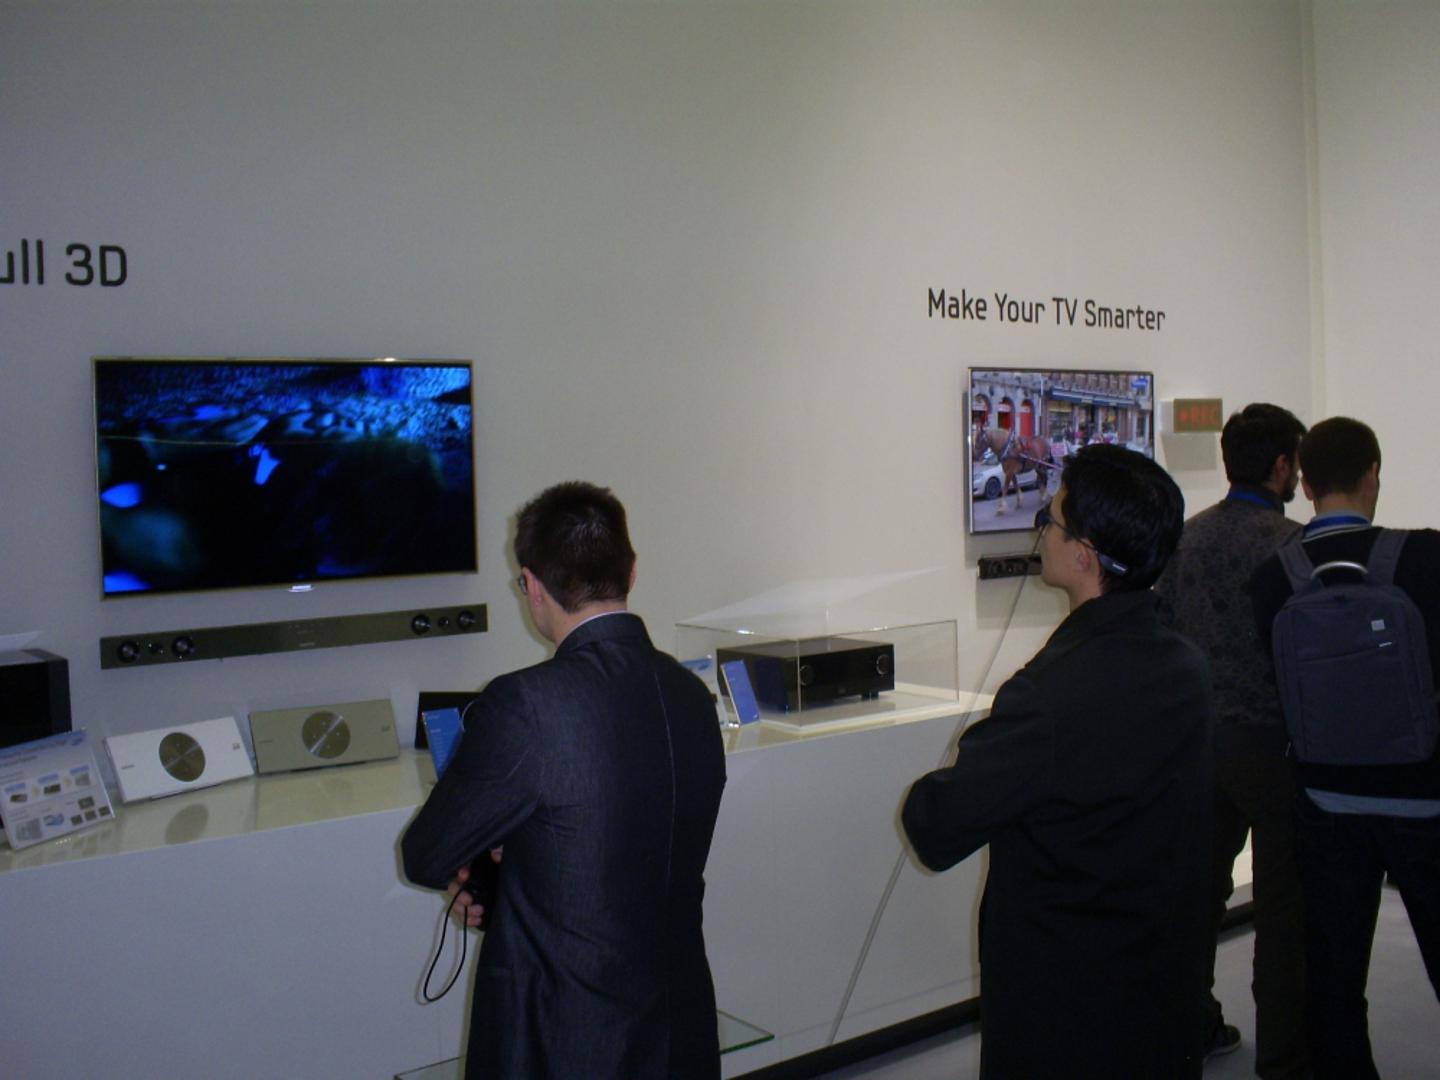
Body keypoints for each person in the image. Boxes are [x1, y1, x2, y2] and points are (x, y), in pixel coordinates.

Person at [901, 445, 1214, 1079]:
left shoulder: (1048, 697)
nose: (1041, 528)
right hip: (1163, 983)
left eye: (1052, 518)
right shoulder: (1190, 669)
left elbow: (935, 826)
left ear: (1085, 555)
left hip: (1066, 1003)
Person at [401, 481, 727, 1079]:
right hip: (682, 1028)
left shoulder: (524, 705)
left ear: (532, 586)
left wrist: (487, 872)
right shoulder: (692, 695)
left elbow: (426, 852)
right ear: (631, 571)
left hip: (563, 1040)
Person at [1251, 418, 1440, 1080]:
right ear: (1372, 475)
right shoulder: (1425, 557)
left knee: (1332, 985)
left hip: (1326, 803)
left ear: (1303, 484)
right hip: (1425, 800)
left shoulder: (1273, 579)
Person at [1153, 403, 1310, 1076]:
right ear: (1282, 466)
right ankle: (1285, 1057)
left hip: (1196, 746)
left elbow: (1161, 636)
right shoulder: (1294, 546)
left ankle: (1190, 1027)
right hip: (1274, 748)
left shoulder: (1185, 541)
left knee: (1194, 900)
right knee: (1283, 912)